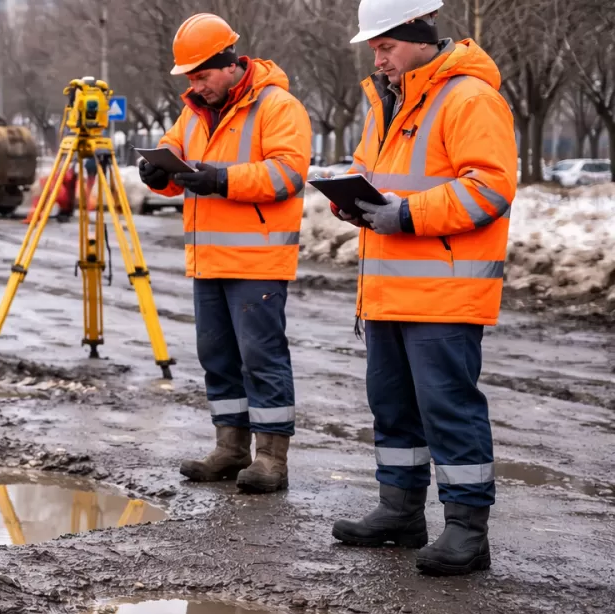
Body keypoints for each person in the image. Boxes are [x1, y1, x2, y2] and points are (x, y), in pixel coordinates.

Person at [328, 0, 516, 576]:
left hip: (444, 293)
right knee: (394, 410)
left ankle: (466, 531)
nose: (377, 58)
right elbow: (374, 173)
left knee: (449, 411)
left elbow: (489, 189)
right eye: (374, 49)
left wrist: (404, 215)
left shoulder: (469, 98)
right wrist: (352, 198)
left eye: (383, 46)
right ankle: (400, 512)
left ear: (416, 36)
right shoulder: (387, 102)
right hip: (387, 290)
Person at [138, 13, 312, 493]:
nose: (198, 85)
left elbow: (287, 175)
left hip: (257, 261)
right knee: (217, 356)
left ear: (231, 63)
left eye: (203, 74)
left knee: (262, 358)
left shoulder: (278, 107)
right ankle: (230, 448)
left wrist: (222, 179)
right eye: (191, 77)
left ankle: (271, 459)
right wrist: (157, 172)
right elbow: (172, 153)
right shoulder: (194, 110)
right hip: (209, 261)